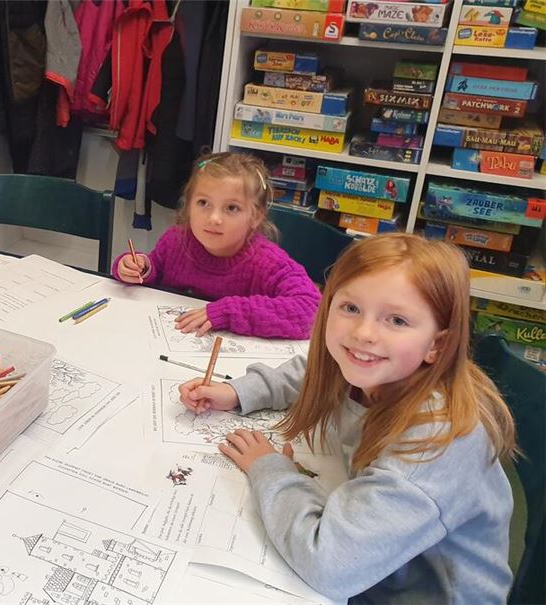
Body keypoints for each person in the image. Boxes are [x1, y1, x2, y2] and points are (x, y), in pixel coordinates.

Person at [178, 234, 516, 603]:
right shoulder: (378, 365)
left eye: (397, 320)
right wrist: (239, 392)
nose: (363, 334)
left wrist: (271, 470)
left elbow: (329, 564)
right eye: (351, 308)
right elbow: (315, 368)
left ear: (437, 344)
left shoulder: (436, 443)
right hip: (377, 562)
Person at [114, 152, 319, 340]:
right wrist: (137, 267)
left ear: (255, 216)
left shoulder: (268, 262)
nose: (214, 218)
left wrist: (228, 313)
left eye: (231, 208)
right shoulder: (176, 240)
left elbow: (312, 310)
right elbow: (155, 268)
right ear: (189, 205)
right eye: (203, 203)